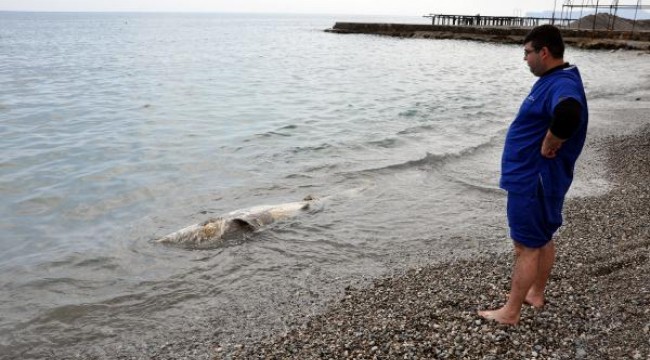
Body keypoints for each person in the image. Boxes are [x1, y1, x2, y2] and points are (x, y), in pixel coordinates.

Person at [478, 25, 588, 325]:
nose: (524, 59)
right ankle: (535, 294)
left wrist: (552, 140)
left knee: (525, 246)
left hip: (533, 179)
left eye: (527, 53)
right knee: (541, 239)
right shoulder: (559, 78)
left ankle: (510, 312)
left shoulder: (560, 85)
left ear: (544, 52)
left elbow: (569, 113)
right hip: (543, 179)